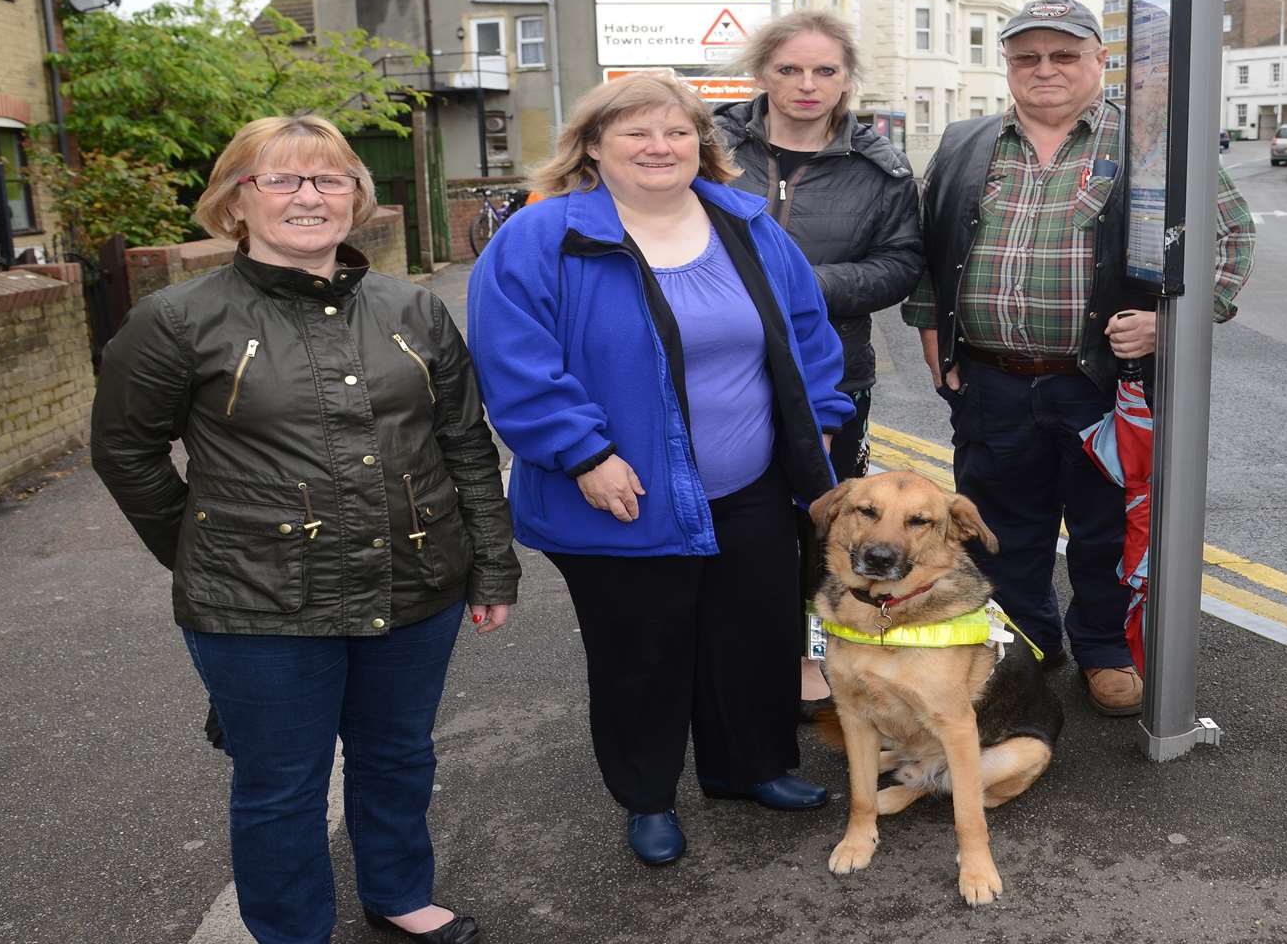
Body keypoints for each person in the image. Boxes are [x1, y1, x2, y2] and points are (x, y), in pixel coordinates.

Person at [91, 115, 518, 944]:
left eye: (328, 180)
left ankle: (398, 892)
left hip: (415, 584)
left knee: (398, 756)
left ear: (357, 198)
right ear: (235, 201)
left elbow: (465, 440)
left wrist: (491, 566)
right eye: (280, 179)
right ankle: (291, 931)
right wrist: (204, 550)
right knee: (281, 784)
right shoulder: (177, 319)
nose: (308, 197)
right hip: (259, 605)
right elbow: (126, 453)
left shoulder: (414, 308)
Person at [466, 74, 853, 867]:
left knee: (752, 635)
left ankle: (752, 768)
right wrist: (584, 454)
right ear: (593, 147)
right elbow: (515, 362)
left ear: (701, 146)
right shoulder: (543, 239)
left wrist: (819, 424)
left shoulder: (746, 225)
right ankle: (647, 798)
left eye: (676, 132)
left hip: (752, 486)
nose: (658, 147)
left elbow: (807, 334)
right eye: (635, 133)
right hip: (618, 493)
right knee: (641, 655)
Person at [902, 0, 1256, 718]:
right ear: (1007, 65)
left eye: (1064, 55)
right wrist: (938, 356)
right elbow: (929, 258)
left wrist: (1169, 323)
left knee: (1102, 529)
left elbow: (1232, 241)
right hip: (993, 381)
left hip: (1104, 386)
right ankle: (1026, 645)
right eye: (1027, 56)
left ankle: (1103, 648)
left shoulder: (1151, 138)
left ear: (1100, 60)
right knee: (1001, 531)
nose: (1045, 70)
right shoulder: (966, 142)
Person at [713, 10, 922, 715]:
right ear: (761, 73)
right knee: (726, 512)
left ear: (846, 79)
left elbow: (900, 265)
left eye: (825, 71)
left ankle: (813, 652)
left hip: (830, 370)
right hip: (713, 369)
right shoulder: (707, 147)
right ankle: (727, 648)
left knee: (821, 519)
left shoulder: (881, 168)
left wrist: (802, 286)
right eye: (789, 69)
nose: (807, 85)